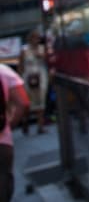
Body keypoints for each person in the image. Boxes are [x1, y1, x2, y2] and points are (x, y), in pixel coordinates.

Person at [0, 61, 30, 202]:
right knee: (3, 179)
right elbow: (23, 103)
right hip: (2, 141)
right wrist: (8, 126)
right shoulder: (4, 71)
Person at [18, 31, 47, 134]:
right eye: (34, 38)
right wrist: (19, 80)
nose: (37, 40)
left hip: (41, 76)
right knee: (28, 102)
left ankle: (40, 126)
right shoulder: (24, 50)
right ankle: (25, 121)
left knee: (41, 101)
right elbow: (20, 66)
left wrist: (42, 56)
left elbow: (47, 61)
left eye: (38, 38)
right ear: (30, 39)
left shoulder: (42, 48)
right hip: (28, 77)